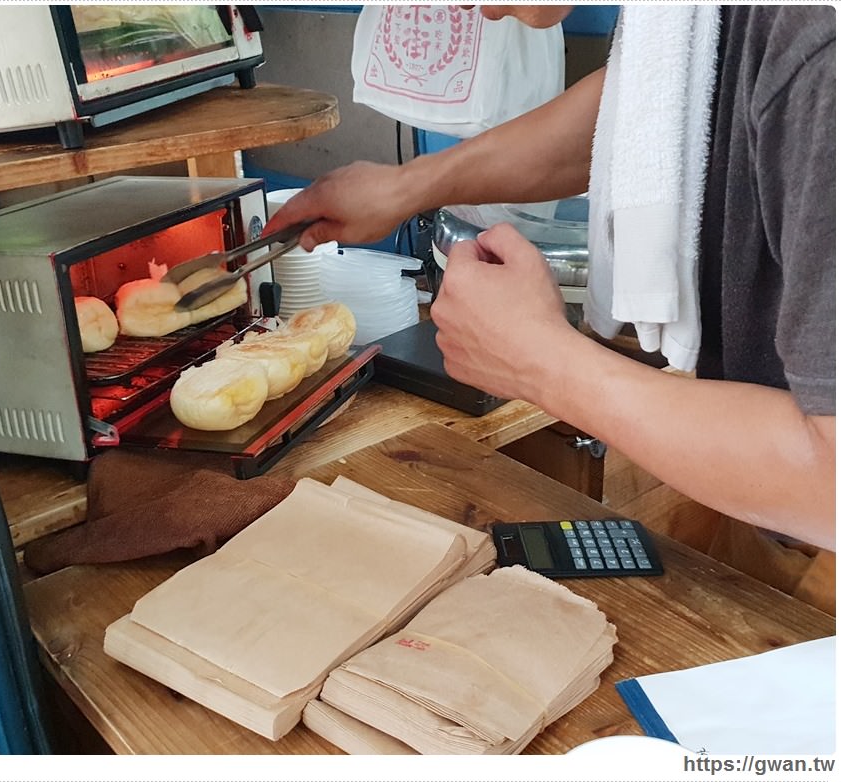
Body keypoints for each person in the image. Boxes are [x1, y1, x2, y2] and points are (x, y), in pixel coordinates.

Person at [268, 5, 836, 572]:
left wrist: (542, 362)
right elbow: (650, 101)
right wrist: (407, 186)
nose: (467, 9)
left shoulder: (816, 37)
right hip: (775, 521)